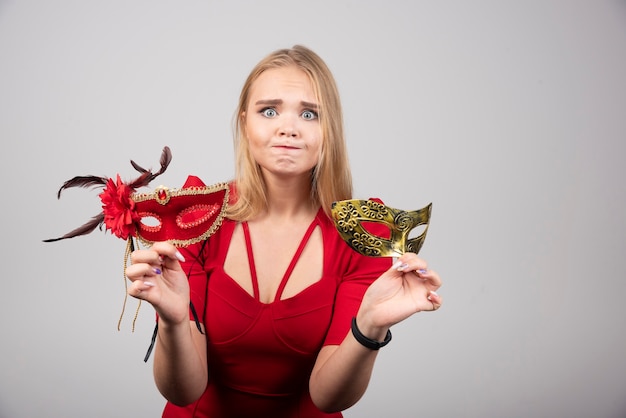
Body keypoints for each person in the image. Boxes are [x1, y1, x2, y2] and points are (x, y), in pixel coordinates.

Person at [125, 45, 443, 418]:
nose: (287, 128)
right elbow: (183, 391)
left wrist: (369, 326)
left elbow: (329, 398)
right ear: (245, 121)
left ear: (330, 129)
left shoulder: (362, 234)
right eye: (269, 111)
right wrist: (175, 321)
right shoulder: (198, 216)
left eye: (309, 114)